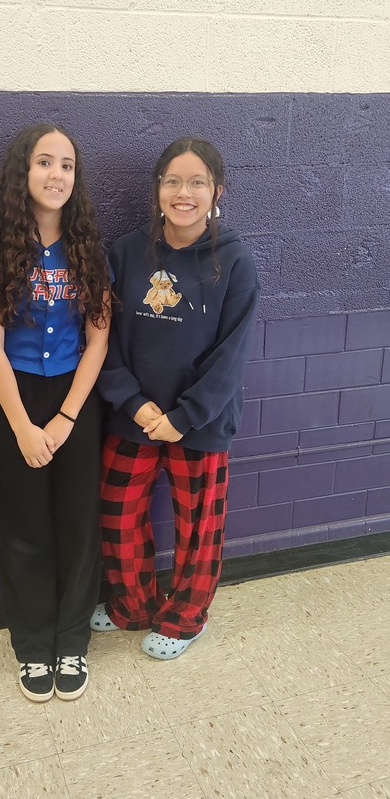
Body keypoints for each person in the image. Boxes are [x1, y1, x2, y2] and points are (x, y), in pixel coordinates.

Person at [92, 136, 259, 659]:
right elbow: (102, 337)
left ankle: (186, 617)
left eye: (196, 182)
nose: (182, 192)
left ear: (216, 190)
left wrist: (184, 417)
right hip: (132, 416)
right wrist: (134, 403)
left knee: (197, 527)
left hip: (200, 423)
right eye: (172, 181)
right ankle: (132, 605)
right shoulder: (123, 252)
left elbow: (230, 355)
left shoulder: (235, 261)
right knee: (118, 516)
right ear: (157, 189)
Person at [0, 123, 111, 701]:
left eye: (67, 166)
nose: (57, 175)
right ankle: (32, 647)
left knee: (78, 524)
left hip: (74, 399)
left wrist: (66, 419)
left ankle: (73, 641)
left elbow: (98, 341)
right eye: (45, 163)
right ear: (22, 174)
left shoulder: (89, 251)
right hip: (15, 399)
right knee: (24, 526)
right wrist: (24, 425)